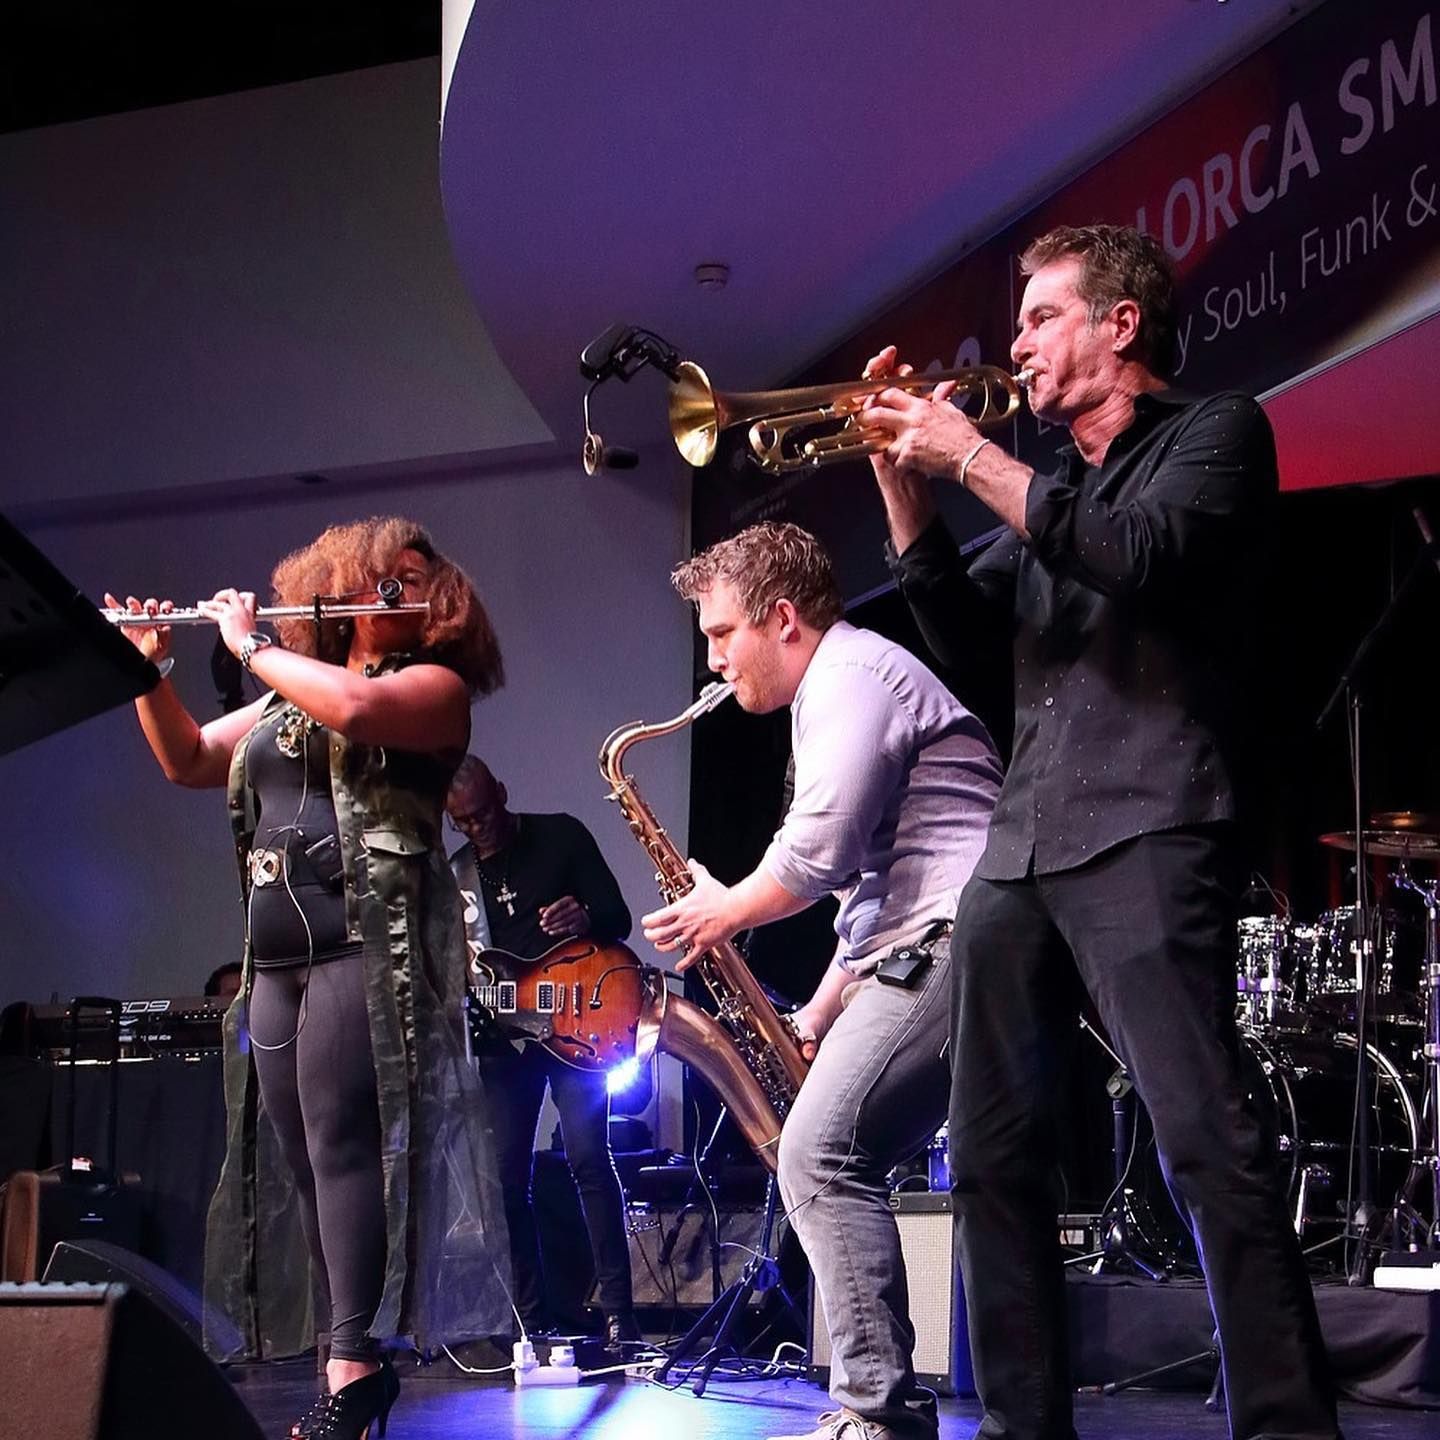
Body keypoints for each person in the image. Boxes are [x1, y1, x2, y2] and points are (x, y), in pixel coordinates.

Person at [857, 223, 1339, 1440]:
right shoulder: (1046, 497)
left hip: (1151, 825)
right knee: (992, 1159)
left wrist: (968, 455)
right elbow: (981, 663)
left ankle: (1287, 1427)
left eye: (1038, 318)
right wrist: (909, 500)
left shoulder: (1216, 434)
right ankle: (1025, 1428)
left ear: (1120, 327)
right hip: (1020, 851)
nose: (1013, 344)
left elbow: (1147, 556)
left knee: (1206, 1146)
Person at [109, 516, 512, 1440]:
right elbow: (189, 761)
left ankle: (355, 1364)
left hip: (359, 952)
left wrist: (249, 642)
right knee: (304, 1166)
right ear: (340, 586)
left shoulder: (433, 690)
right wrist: (148, 672)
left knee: (340, 1150)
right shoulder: (289, 701)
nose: (403, 590)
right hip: (276, 964)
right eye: (386, 576)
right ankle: (354, 1359)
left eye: (419, 580)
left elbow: (361, 712)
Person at [641, 522, 1002, 1440]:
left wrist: (721, 911)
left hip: (958, 938)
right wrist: (817, 1012)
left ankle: (877, 1412)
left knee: (818, 1151)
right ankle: (887, 1406)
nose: (714, 662)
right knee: (842, 1154)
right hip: (929, 940)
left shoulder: (849, 678)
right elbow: (871, 889)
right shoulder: (837, 690)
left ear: (784, 619)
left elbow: (820, 851)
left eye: (723, 635)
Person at [445, 755, 641, 1349]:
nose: (481, 828)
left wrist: (587, 916)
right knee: (506, 1177)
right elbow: (461, 968)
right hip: (507, 1040)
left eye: (486, 813)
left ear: (503, 792)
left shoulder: (560, 833)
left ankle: (618, 1316)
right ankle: (532, 1323)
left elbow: (619, 919)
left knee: (588, 1158)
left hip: (578, 1025)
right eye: (466, 822)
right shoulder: (457, 879)